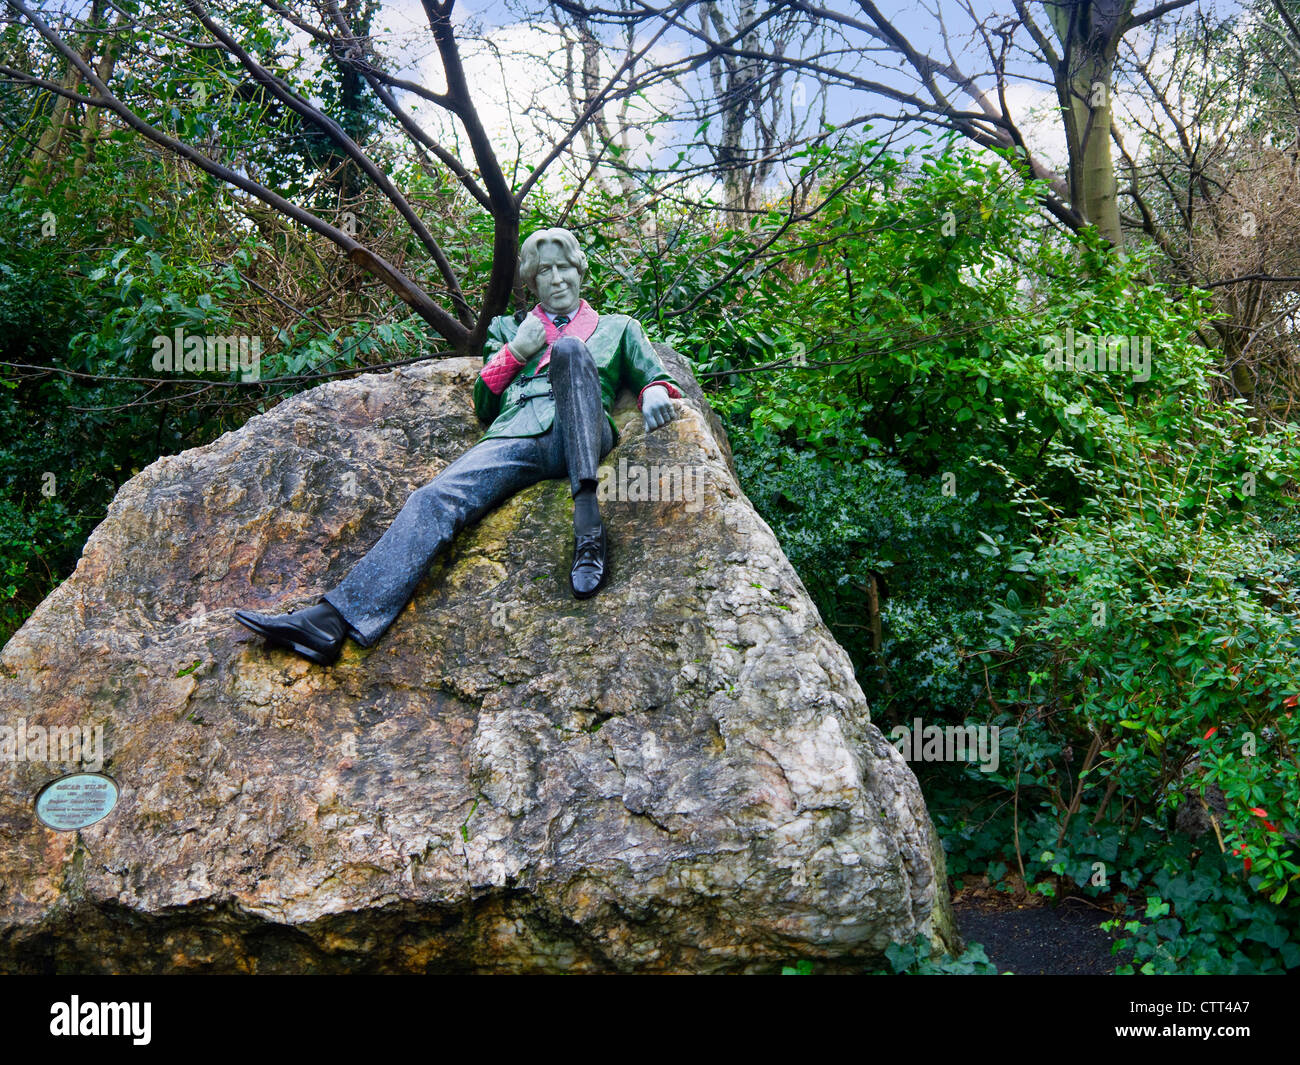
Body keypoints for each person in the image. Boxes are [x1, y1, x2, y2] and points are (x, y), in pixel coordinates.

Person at [234, 227, 684, 665]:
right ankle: (330, 620)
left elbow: (653, 374)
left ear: (580, 270)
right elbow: (485, 403)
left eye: (565, 267)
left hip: (581, 432)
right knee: (433, 498)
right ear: (532, 280)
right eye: (545, 271)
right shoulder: (511, 328)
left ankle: (588, 526)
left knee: (569, 352)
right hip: (517, 435)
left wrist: (655, 391)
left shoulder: (619, 327)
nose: (557, 278)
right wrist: (516, 352)